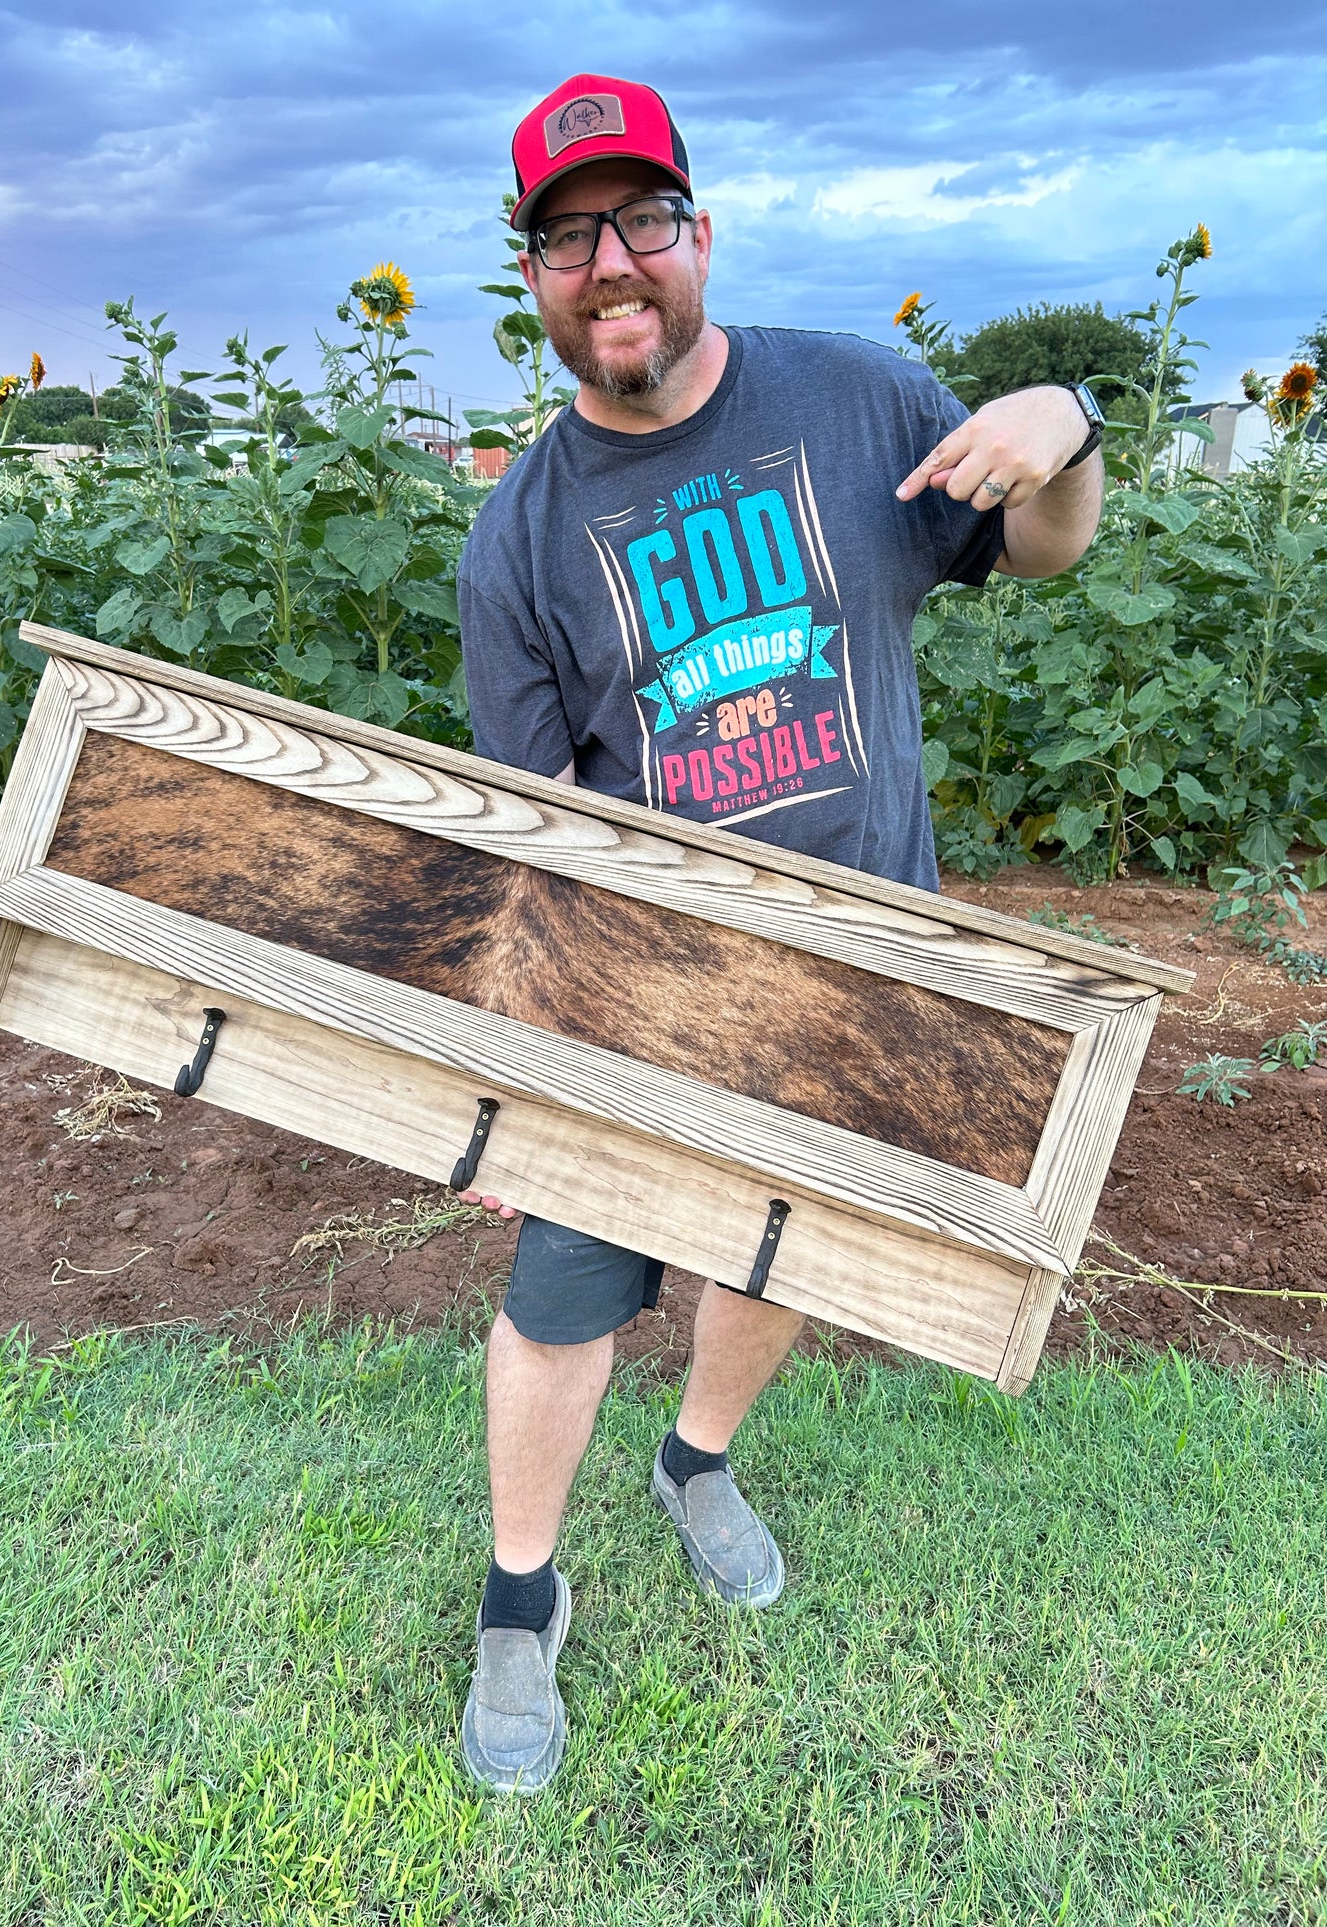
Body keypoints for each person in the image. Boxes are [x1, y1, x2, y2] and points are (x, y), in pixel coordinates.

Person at [454, 72, 1105, 1794]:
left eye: (640, 223)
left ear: (695, 237)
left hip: (866, 975)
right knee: (557, 1297)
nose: (612, 265)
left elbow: (1036, 546)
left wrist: (1066, 424)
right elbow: (527, 845)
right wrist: (512, 1069)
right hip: (647, 1002)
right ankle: (521, 1600)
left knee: (781, 1255)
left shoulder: (855, 397)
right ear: (531, 273)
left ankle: (698, 1461)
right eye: (566, 238)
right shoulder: (519, 533)